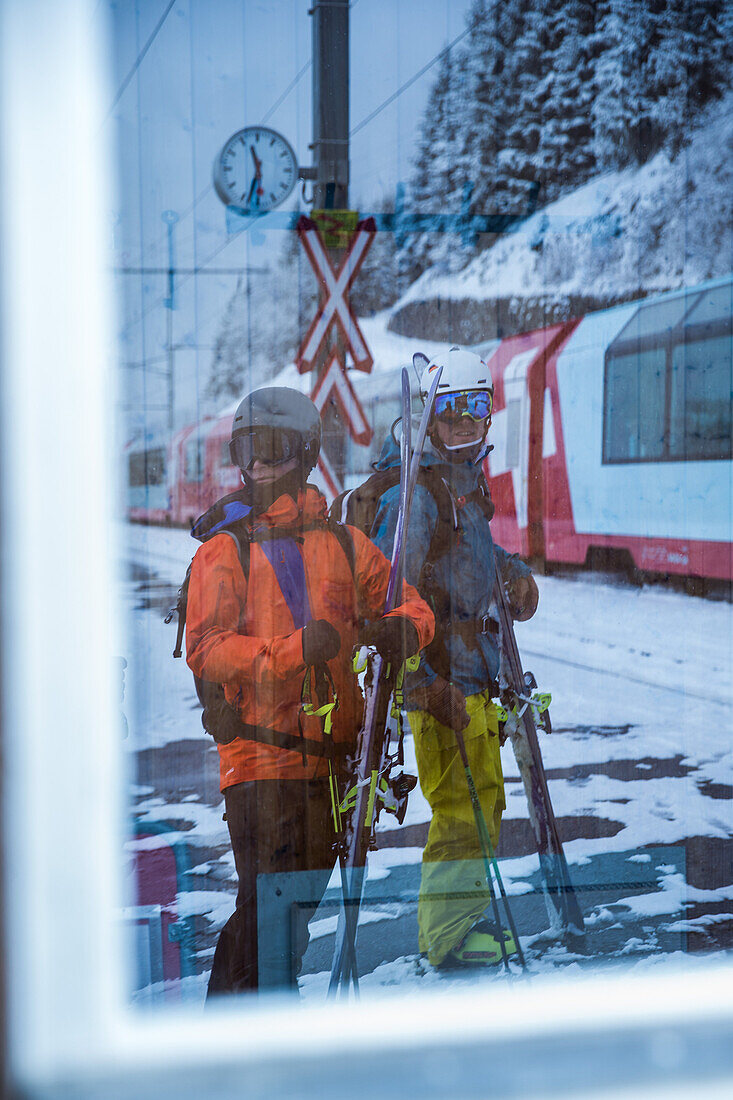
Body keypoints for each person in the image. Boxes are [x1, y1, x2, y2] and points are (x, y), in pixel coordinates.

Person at [185, 386, 434, 996]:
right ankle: (251, 1030)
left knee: (292, 916)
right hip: (259, 759)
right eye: (248, 450)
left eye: (271, 448)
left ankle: (255, 1017)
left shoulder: (345, 545)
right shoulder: (226, 549)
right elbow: (206, 647)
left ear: (301, 452)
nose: (259, 464)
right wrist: (294, 650)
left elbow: (411, 605)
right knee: (269, 910)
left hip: (331, 767)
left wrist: (404, 629)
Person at [368, 347, 539, 969]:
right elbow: (388, 598)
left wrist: (514, 573)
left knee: (483, 800)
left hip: (472, 674)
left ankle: (462, 914)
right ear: (430, 415)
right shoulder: (415, 498)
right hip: (441, 679)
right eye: (453, 409)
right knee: (461, 808)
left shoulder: (463, 481)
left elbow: (472, 562)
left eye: (478, 407)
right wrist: (419, 687)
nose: (467, 421)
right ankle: (447, 936)